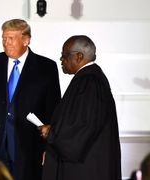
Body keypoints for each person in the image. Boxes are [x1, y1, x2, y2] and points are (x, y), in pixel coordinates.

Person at [0, 18, 61, 180]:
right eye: (4, 38)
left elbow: (53, 111)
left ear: (26, 40)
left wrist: (49, 148)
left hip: (29, 146)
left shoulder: (46, 67)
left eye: (11, 38)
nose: (6, 43)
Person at [39, 35, 122, 180]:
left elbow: (81, 128)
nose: (61, 59)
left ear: (78, 56)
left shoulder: (89, 82)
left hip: (85, 169)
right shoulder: (90, 79)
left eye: (64, 55)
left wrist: (51, 133)